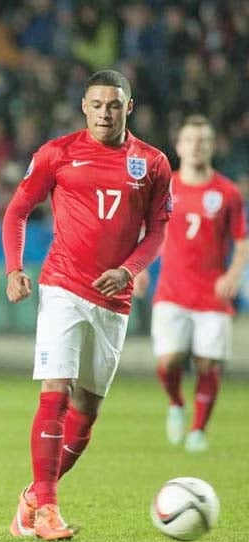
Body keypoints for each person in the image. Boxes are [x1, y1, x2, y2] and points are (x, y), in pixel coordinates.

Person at [2, 70, 171, 541]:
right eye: (96, 104)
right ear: (83, 106)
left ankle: (34, 498)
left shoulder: (152, 163)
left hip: (114, 302)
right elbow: (17, 210)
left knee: (86, 414)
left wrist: (130, 270)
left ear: (128, 108)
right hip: (63, 287)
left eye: (114, 105)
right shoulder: (57, 153)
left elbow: (157, 231)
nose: (104, 113)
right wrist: (14, 268)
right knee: (56, 391)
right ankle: (50, 510)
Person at [137, 115, 248, 452]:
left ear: (213, 146)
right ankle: (176, 403)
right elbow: (147, 232)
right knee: (169, 361)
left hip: (212, 293)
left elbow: (242, 241)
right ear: (179, 145)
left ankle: (198, 430)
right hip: (172, 290)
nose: (197, 146)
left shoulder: (227, 193)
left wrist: (233, 275)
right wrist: (137, 268)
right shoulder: (164, 187)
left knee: (207, 364)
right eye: (191, 140)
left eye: (204, 141)